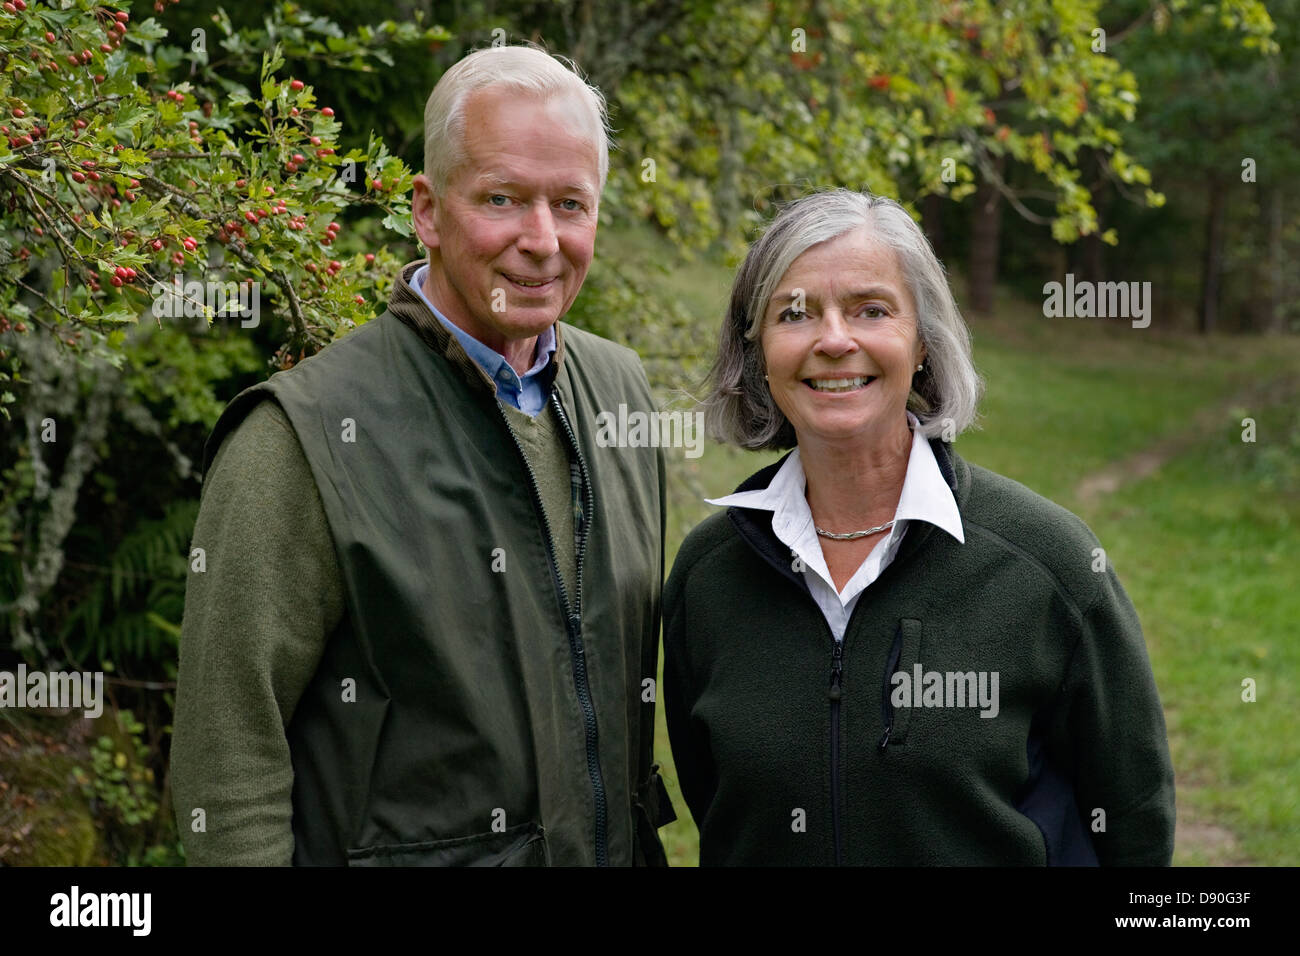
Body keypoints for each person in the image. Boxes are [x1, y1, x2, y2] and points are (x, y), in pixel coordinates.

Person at [171, 45, 675, 866]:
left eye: (571, 204)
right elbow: (227, 761)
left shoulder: (622, 394)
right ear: (428, 210)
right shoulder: (300, 438)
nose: (541, 240)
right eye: (503, 199)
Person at [663, 188, 1175, 866]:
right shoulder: (708, 575)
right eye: (795, 313)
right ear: (756, 350)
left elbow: (1133, 825)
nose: (834, 339)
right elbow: (717, 808)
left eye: (870, 309)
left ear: (924, 343)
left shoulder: (1051, 566)